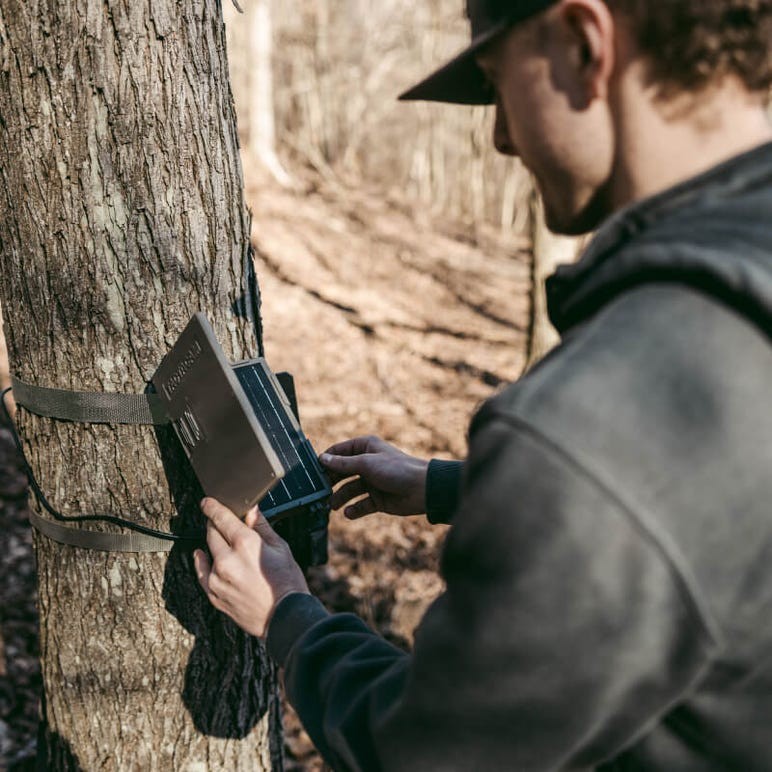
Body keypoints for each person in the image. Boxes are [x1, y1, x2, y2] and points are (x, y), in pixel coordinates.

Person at [194, 0, 772, 768]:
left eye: (499, 84)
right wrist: (455, 487)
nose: (500, 137)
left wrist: (287, 616)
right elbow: (717, 505)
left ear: (581, 41)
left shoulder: (607, 415)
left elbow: (431, 751)